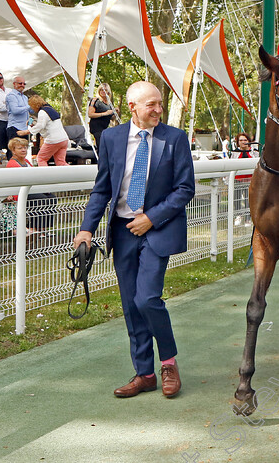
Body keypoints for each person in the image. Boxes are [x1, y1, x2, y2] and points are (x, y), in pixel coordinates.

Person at [73, 81, 195, 399]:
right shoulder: (111, 138)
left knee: (147, 299)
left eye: (160, 104)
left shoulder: (175, 138)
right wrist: (87, 228)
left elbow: (185, 188)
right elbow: (103, 188)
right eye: (150, 105)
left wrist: (151, 218)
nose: (157, 109)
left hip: (157, 228)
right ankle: (145, 374)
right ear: (132, 107)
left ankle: (168, 363)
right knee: (130, 305)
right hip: (123, 231)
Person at [6, 137, 57, 234]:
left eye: (25, 147)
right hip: (20, 193)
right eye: (20, 148)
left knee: (52, 198)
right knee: (41, 199)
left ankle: (44, 228)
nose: (23, 150)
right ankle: (35, 227)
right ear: (13, 150)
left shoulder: (27, 162)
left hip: (31, 189)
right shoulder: (12, 163)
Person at [28, 95, 70, 166]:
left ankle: (45, 176)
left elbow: (40, 126)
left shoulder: (42, 112)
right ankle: (72, 175)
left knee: (41, 158)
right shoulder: (51, 109)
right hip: (64, 139)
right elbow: (48, 125)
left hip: (53, 140)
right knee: (61, 162)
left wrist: (27, 131)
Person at [231, 132, 257, 226]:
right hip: (238, 180)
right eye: (241, 140)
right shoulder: (234, 152)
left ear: (249, 141)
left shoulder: (254, 152)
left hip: (250, 180)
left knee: (248, 200)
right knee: (236, 199)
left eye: (245, 140)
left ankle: (247, 218)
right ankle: (238, 216)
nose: (243, 142)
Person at [6, 76, 33, 158]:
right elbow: (15, 110)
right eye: (20, 83)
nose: (22, 85)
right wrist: (29, 106)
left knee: (23, 152)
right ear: (14, 84)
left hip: (24, 128)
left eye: (24, 84)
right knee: (14, 153)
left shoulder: (25, 97)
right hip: (15, 128)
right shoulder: (11, 96)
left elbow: (30, 111)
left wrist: (36, 106)